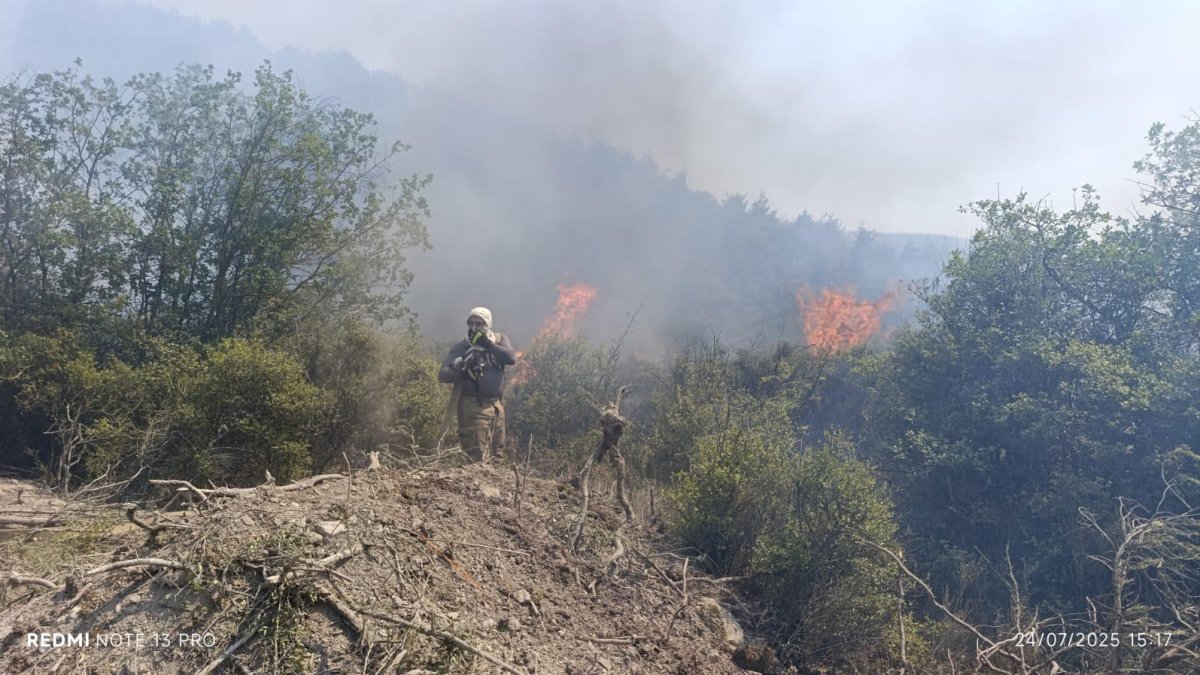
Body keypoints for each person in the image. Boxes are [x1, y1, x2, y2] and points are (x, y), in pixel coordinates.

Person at [438, 307, 517, 462]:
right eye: (471, 324)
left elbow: (510, 358)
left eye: (479, 324)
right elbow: (443, 375)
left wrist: (487, 344)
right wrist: (464, 368)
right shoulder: (462, 347)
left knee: (498, 456)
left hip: (496, 408)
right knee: (478, 457)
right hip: (473, 408)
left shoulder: (499, 340)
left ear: (487, 325)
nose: (474, 328)